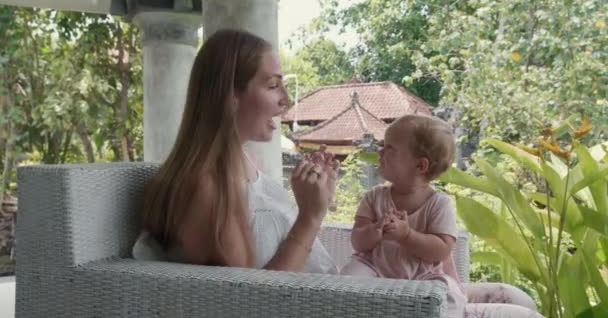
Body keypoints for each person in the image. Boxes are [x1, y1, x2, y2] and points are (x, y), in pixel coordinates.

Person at [134, 29, 337, 274]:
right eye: (273, 85)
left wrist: (314, 191)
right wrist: (310, 218)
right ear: (230, 96)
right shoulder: (205, 188)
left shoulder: (247, 160)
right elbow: (250, 301)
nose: (286, 99)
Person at [340, 115, 542, 318]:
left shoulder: (438, 204)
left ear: (420, 166)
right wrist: (374, 230)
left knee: (449, 297)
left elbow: (441, 249)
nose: (380, 151)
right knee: (349, 278)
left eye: (389, 148)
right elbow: (358, 242)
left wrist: (406, 235)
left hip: (425, 277)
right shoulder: (374, 197)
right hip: (376, 270)